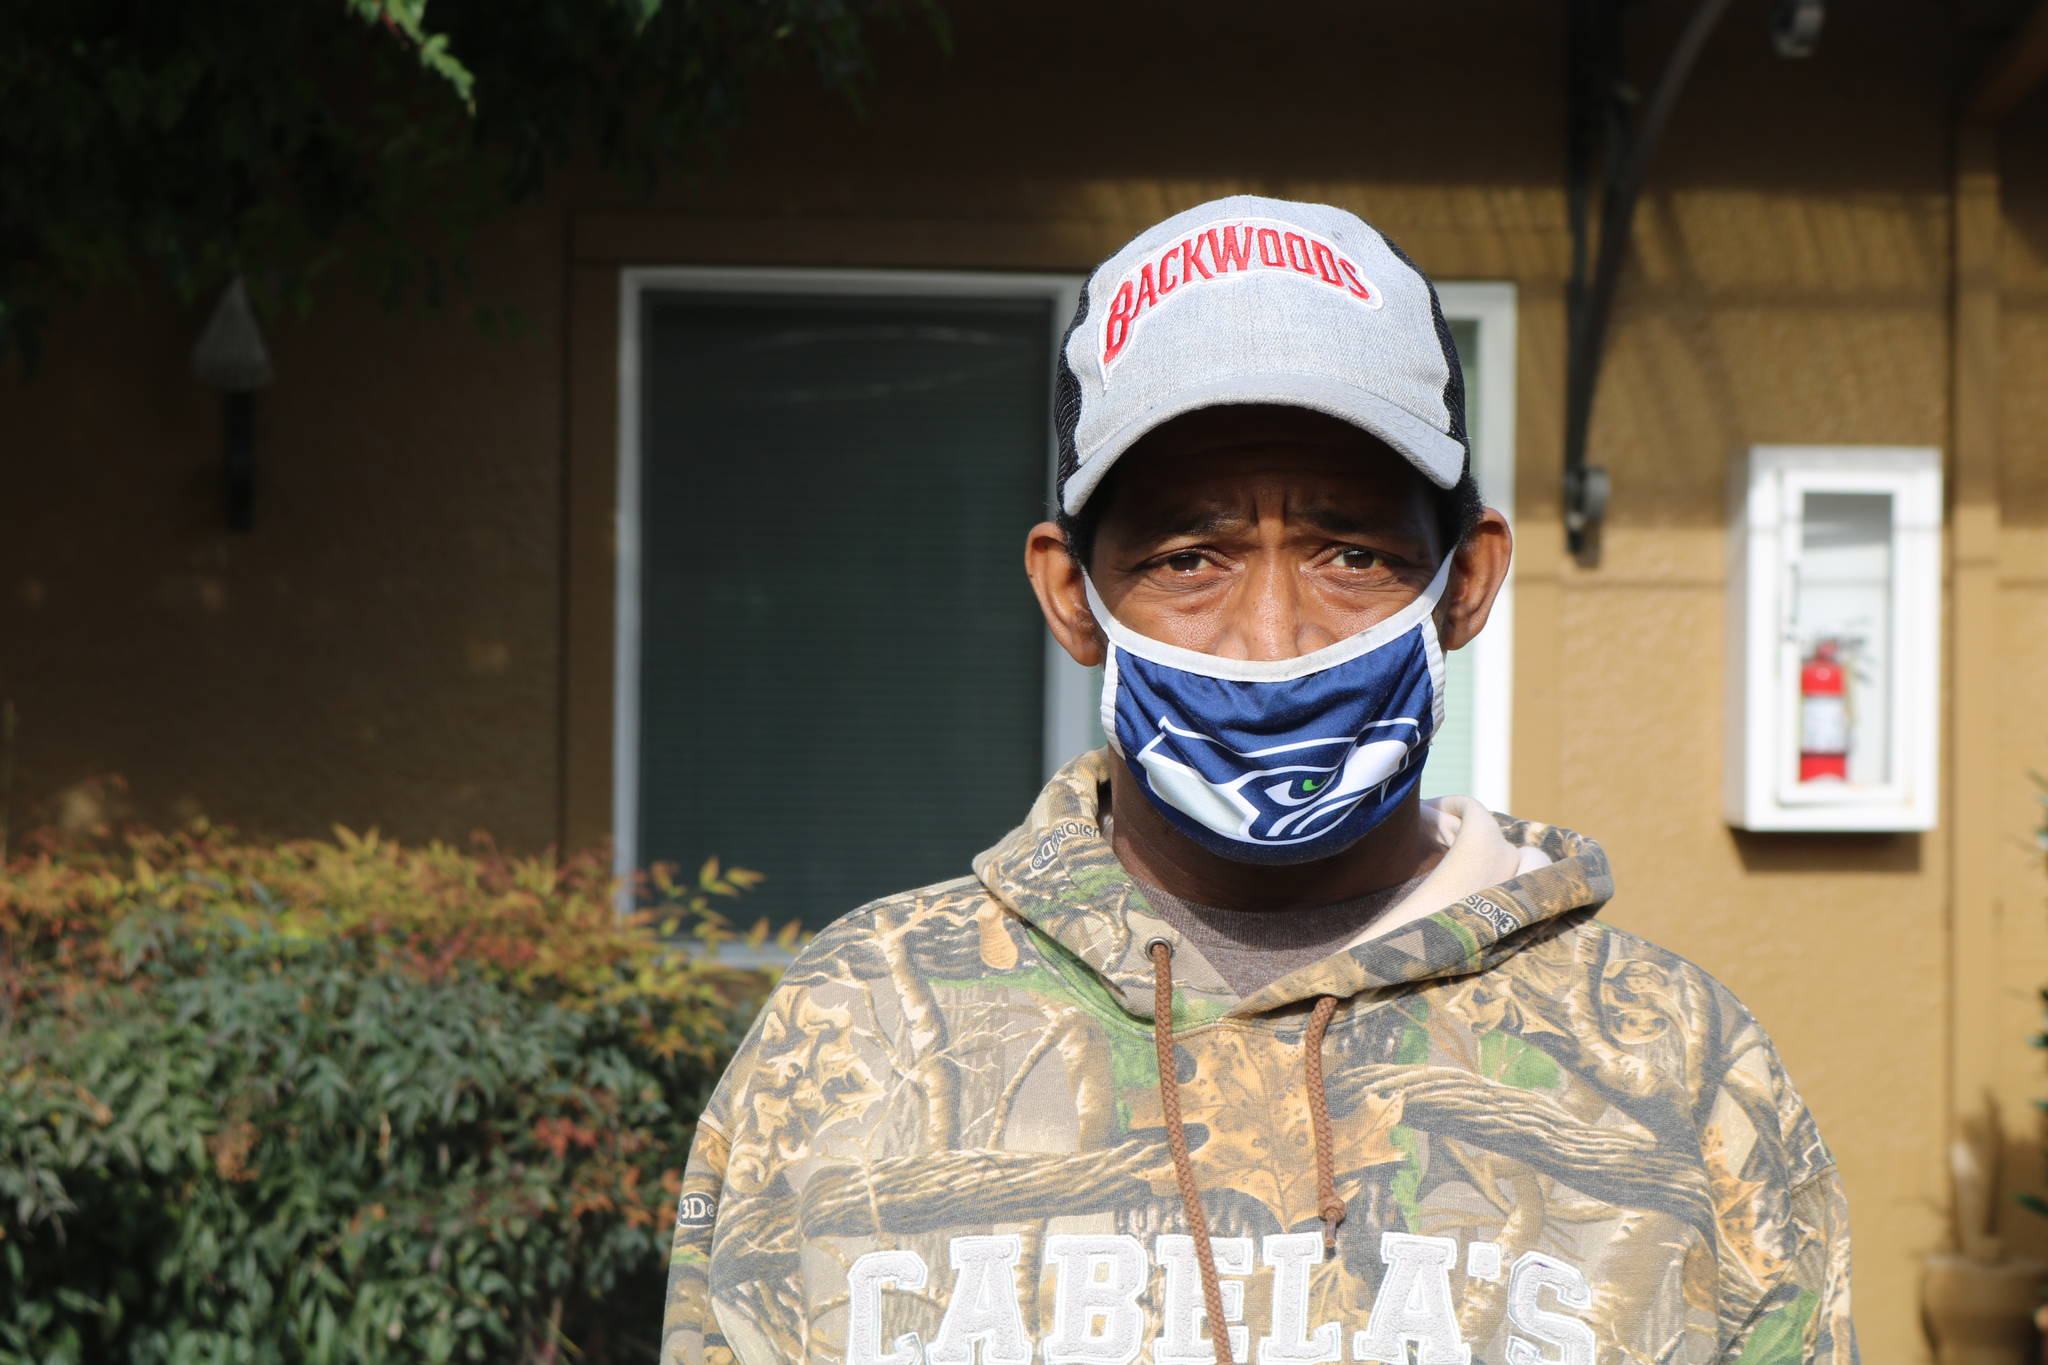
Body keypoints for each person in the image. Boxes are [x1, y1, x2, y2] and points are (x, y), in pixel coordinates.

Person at [660, 196, 1856, 1365]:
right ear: (1072, 597)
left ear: (1466, 583)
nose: (1272, 633)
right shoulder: (852, 1029)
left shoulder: (1672, 1070)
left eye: (1351, 553)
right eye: (1190, 558)